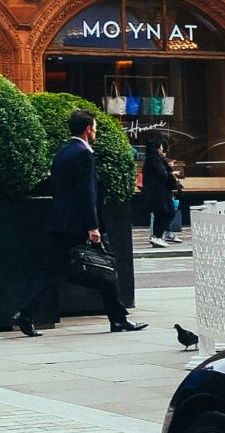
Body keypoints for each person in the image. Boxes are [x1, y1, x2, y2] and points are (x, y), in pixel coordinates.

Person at [11, 107, 146, 336]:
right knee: (106, 268)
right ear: (87, 129)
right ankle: (119, 319)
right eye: (95, 128)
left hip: (58, 221)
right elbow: (87, 193)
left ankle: (25, 313)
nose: (96, 132)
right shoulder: (84, 154)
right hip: (76, 223)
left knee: (51, 271)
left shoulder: (62, 152)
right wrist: (92, 226)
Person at [140, 136, 182, 248]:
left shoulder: (154, 159)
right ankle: (157, 236)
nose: (162, 149)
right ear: (157, 148)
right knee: (167, 213)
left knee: (163, 213)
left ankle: (157, 236)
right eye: (161, 147)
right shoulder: (154, 159)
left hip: (160, 192)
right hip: (158, 192)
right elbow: (161, 174)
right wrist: (171, 173)